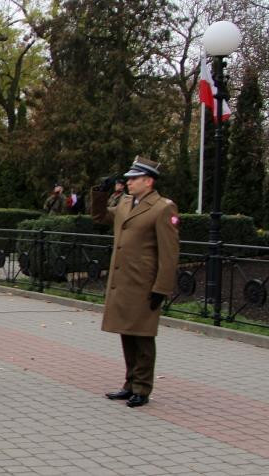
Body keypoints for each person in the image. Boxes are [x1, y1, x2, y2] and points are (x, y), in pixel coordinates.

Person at [91, 157, 178, 408]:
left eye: (134, 179)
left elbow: (169, 253)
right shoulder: (126, 202)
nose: (128, 182)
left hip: (144, 283)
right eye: (127, 178)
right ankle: (129, 384)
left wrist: (161, 288)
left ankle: (142, 387)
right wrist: (100, 192)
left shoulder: (163, 208)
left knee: (143, 337)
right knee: (127, 334)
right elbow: (99, 217)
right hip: (124, 282)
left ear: (148, 181)